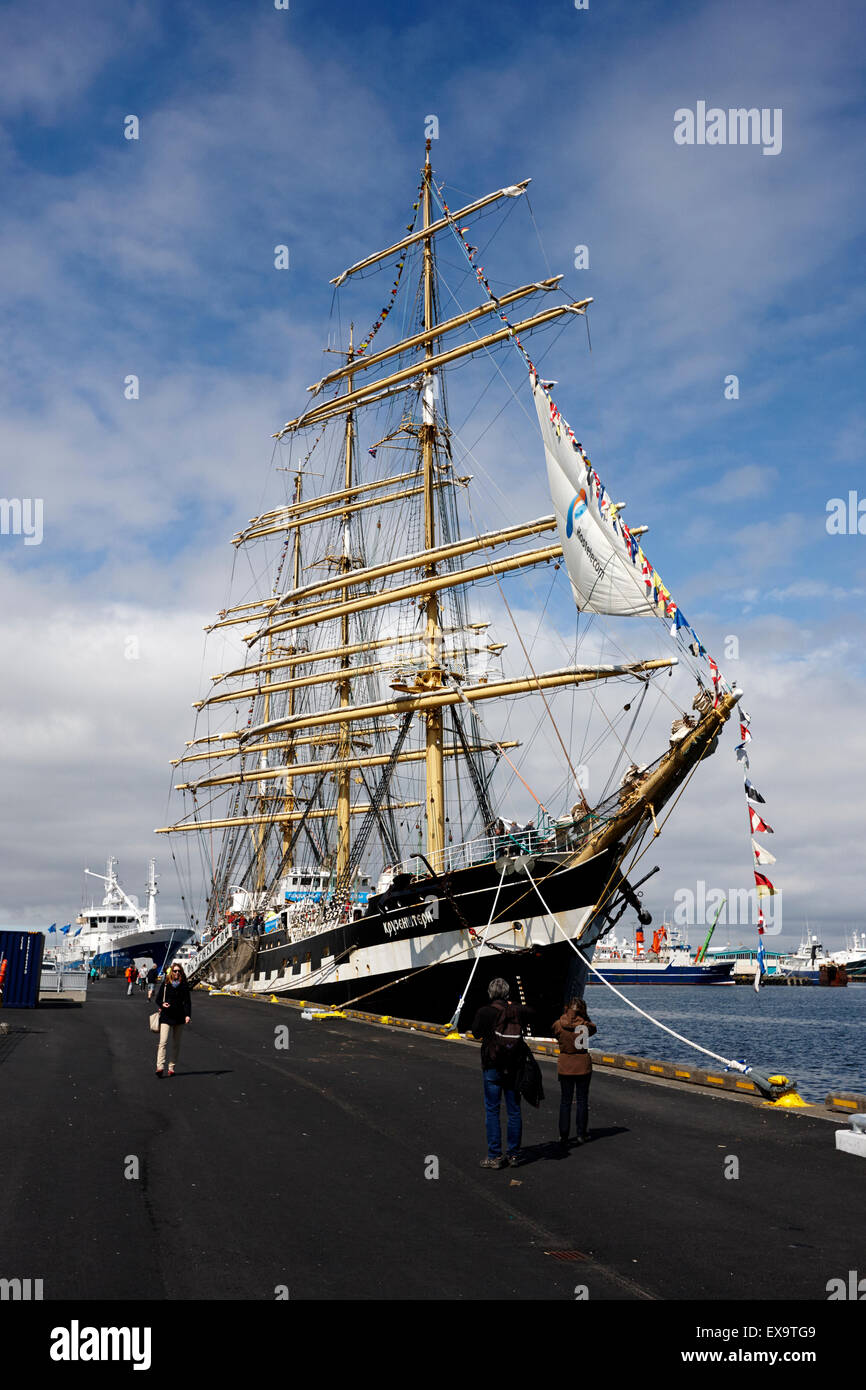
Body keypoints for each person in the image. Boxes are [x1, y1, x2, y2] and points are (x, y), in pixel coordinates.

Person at [471, 978, 534, 1169]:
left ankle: (495, 1156)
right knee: (514, 1110)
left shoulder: (484, 1011)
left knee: (492, 1110)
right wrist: (513, 1005)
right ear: (507, 993)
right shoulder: (516, 1011)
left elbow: (475, 1033)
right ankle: (514, 1155)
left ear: (490, 993)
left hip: (492, 1065)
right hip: (514, 1066)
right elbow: (533, 1013)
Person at [552, 996, 597, 1150]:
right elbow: (594, 1028)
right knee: (582, 1100)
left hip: (565, 1064)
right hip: (583, 1064)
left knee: (565, 1101)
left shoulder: (559, 1024)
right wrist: (585, 1017)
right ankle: (581, 1133)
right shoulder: (585, 1026)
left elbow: (555, 1032)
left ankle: (563, 1135)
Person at [153, 963, 192, 1078]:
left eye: (179, 971)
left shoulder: (184, 985)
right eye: (175, 971)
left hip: (179, 1017)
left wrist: (187, 1015)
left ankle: (171, 1067)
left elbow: (187, 1002)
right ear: (171, 972)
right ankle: (160, 1067)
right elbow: (158, 999)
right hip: (166, 1016)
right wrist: (162, 1004)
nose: (177, 973)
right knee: (163, 1042)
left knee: (176, 1043)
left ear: (181, 972)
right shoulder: (166, 984)